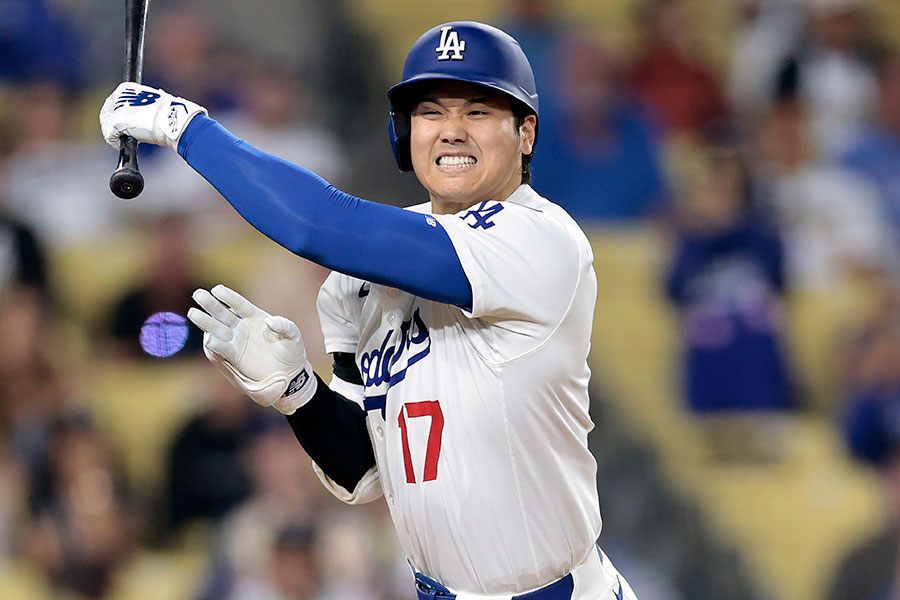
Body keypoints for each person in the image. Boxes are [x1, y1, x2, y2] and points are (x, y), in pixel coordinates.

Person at [99, 21, 638, 599]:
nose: (451, 132)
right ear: (403, 133)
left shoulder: (539, 238)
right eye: (430, 112)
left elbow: (320, 224)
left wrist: (187, 130)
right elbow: (362, 472)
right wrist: (298, 394)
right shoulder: (358, 286)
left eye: (478, 112)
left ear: (526, 133)